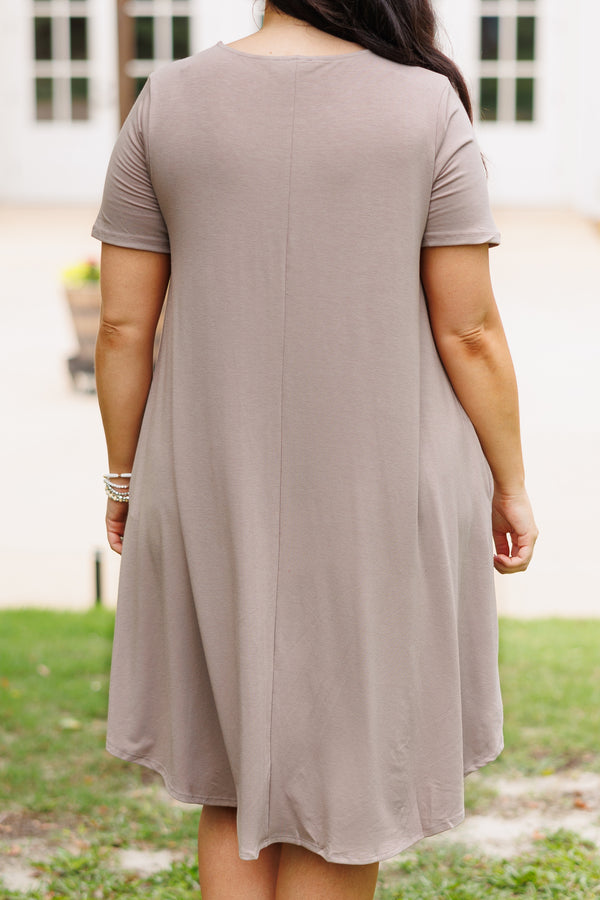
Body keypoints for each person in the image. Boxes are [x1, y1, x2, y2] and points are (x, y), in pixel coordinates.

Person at [92, 0, 538, 897]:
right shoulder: (424, 105)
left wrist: (125, 479)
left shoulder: (169, 99)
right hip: (381, 490)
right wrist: (511, 483)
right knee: (346, 766)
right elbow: (471, 331)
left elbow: (122, 328)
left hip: (211, 482)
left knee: (230, 765)